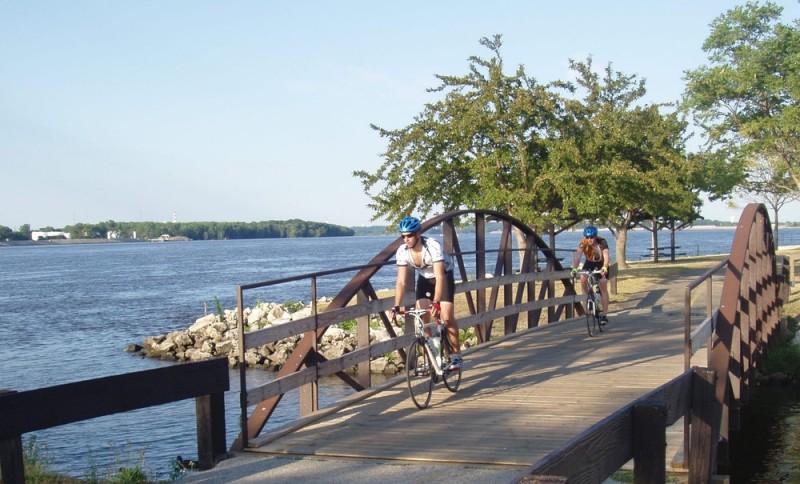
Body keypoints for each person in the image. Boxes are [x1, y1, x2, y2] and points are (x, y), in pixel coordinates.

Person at [392, 216, 463, 370]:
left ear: (418, 234)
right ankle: (433, 358)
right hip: (425, 278)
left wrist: (437, 302)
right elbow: (401, 281)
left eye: (409, 235)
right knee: (423, 320)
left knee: (447, 316)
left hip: (443, 276)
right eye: (403, 236)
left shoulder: (432, 246)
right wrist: (396, 305)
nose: (406, 239)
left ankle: (456, 355)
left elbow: (439, 277)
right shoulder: (402, 251)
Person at [571, 225, 611, 325]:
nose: (589, 239)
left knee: (603, 284)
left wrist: (605, 267)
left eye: (592, 237)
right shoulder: (583, 242)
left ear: (595, 236)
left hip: (601, 263)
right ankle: (588, 297)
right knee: (583, 277)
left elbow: (606, 257)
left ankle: (604, 315)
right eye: (587, 237)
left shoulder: (602, 242)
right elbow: (578, 256)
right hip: (589, 262)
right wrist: (574, 268)